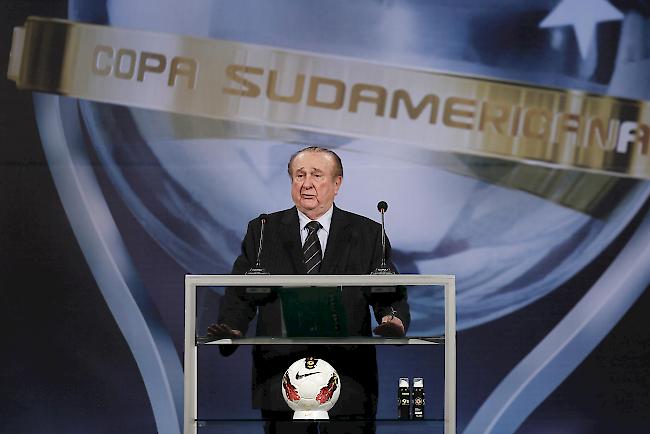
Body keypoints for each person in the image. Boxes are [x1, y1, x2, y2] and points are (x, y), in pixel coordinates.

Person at [209, 146, 410, 434]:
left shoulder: (367, 232)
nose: (306, 184)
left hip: (348, 372)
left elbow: (387, 292)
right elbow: (240, 293)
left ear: (337, 183)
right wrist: (232, 327)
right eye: (299, 175)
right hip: (282, 370)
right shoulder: (263, 230)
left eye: (317, 175)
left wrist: (393, 321)